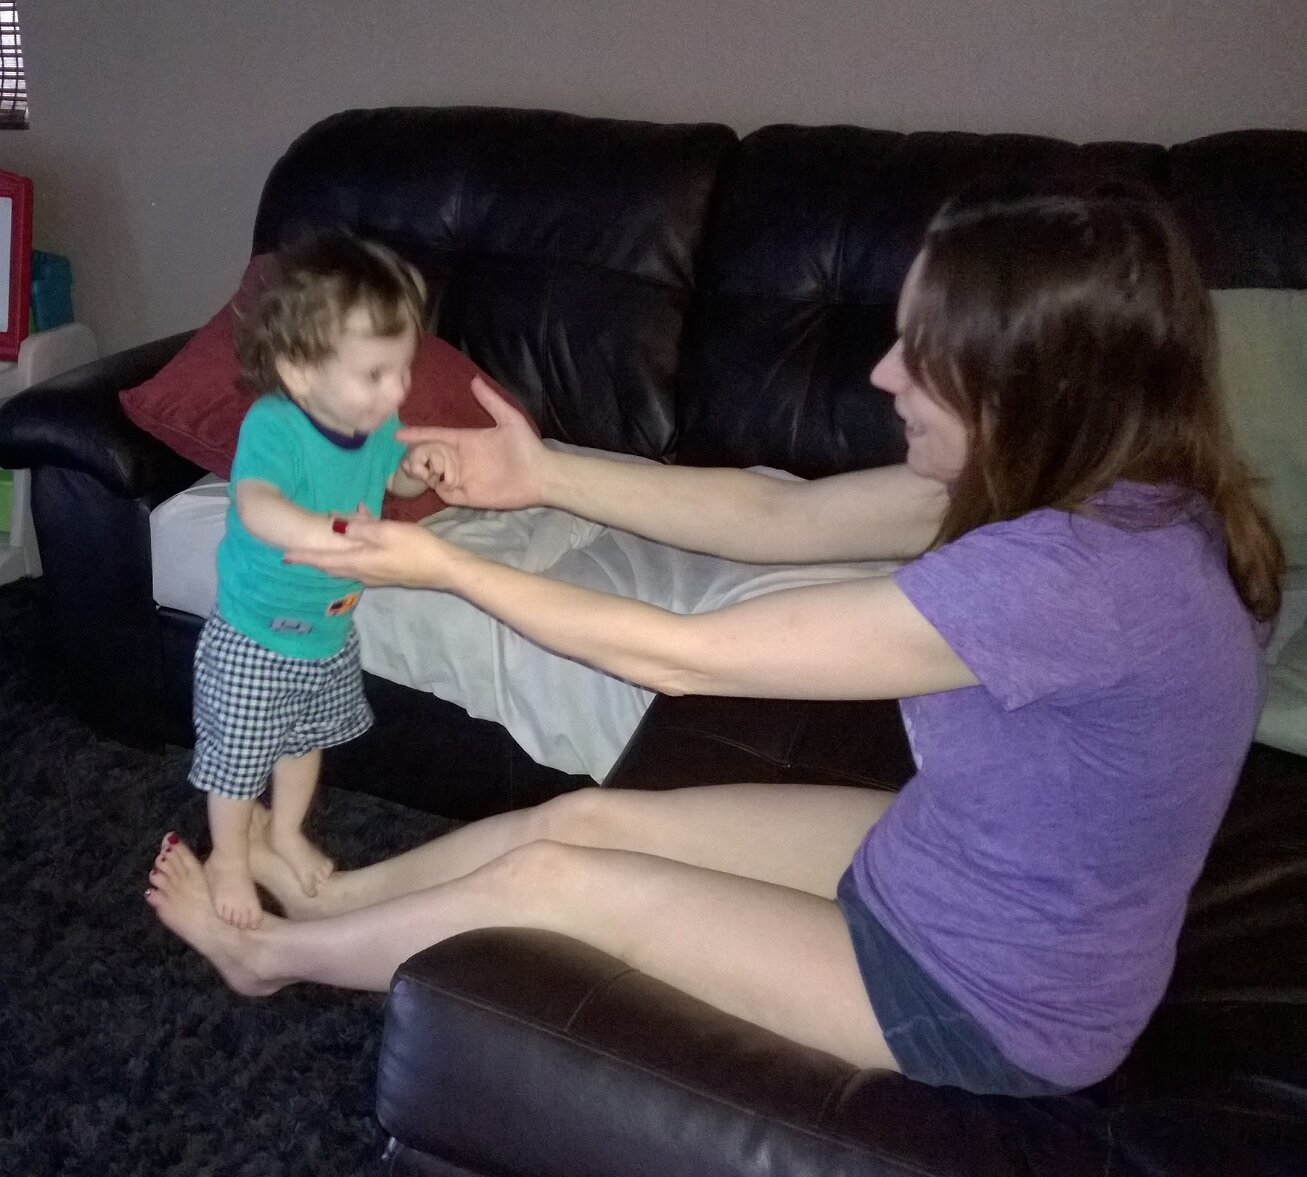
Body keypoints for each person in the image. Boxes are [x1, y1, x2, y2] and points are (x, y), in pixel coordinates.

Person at [148, 181, 1284, 1095]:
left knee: (558, 881)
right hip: (959, 857)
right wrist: (542, 473)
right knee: (588, 819)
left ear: (1029, 386)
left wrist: (447, 565)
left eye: (923, 353)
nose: (882, 373)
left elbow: (677, 656)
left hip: (989, 995)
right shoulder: (1104, 481)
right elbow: (779, 516)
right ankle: (337, 902)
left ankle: (269, 956)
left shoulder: (1074, 576)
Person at [188, 231, 435, 929]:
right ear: (299, 373)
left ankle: (287, 831)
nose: (398, 390)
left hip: (329, 632)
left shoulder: (378, 423)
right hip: (254, 636)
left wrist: (413, 472)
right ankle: (229, 856)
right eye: (376, 373)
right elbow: (257, 505)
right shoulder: (274, 427)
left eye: (404, 369)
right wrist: (327, 534)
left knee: (303, 744)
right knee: (237, 760)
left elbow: (389, 479)